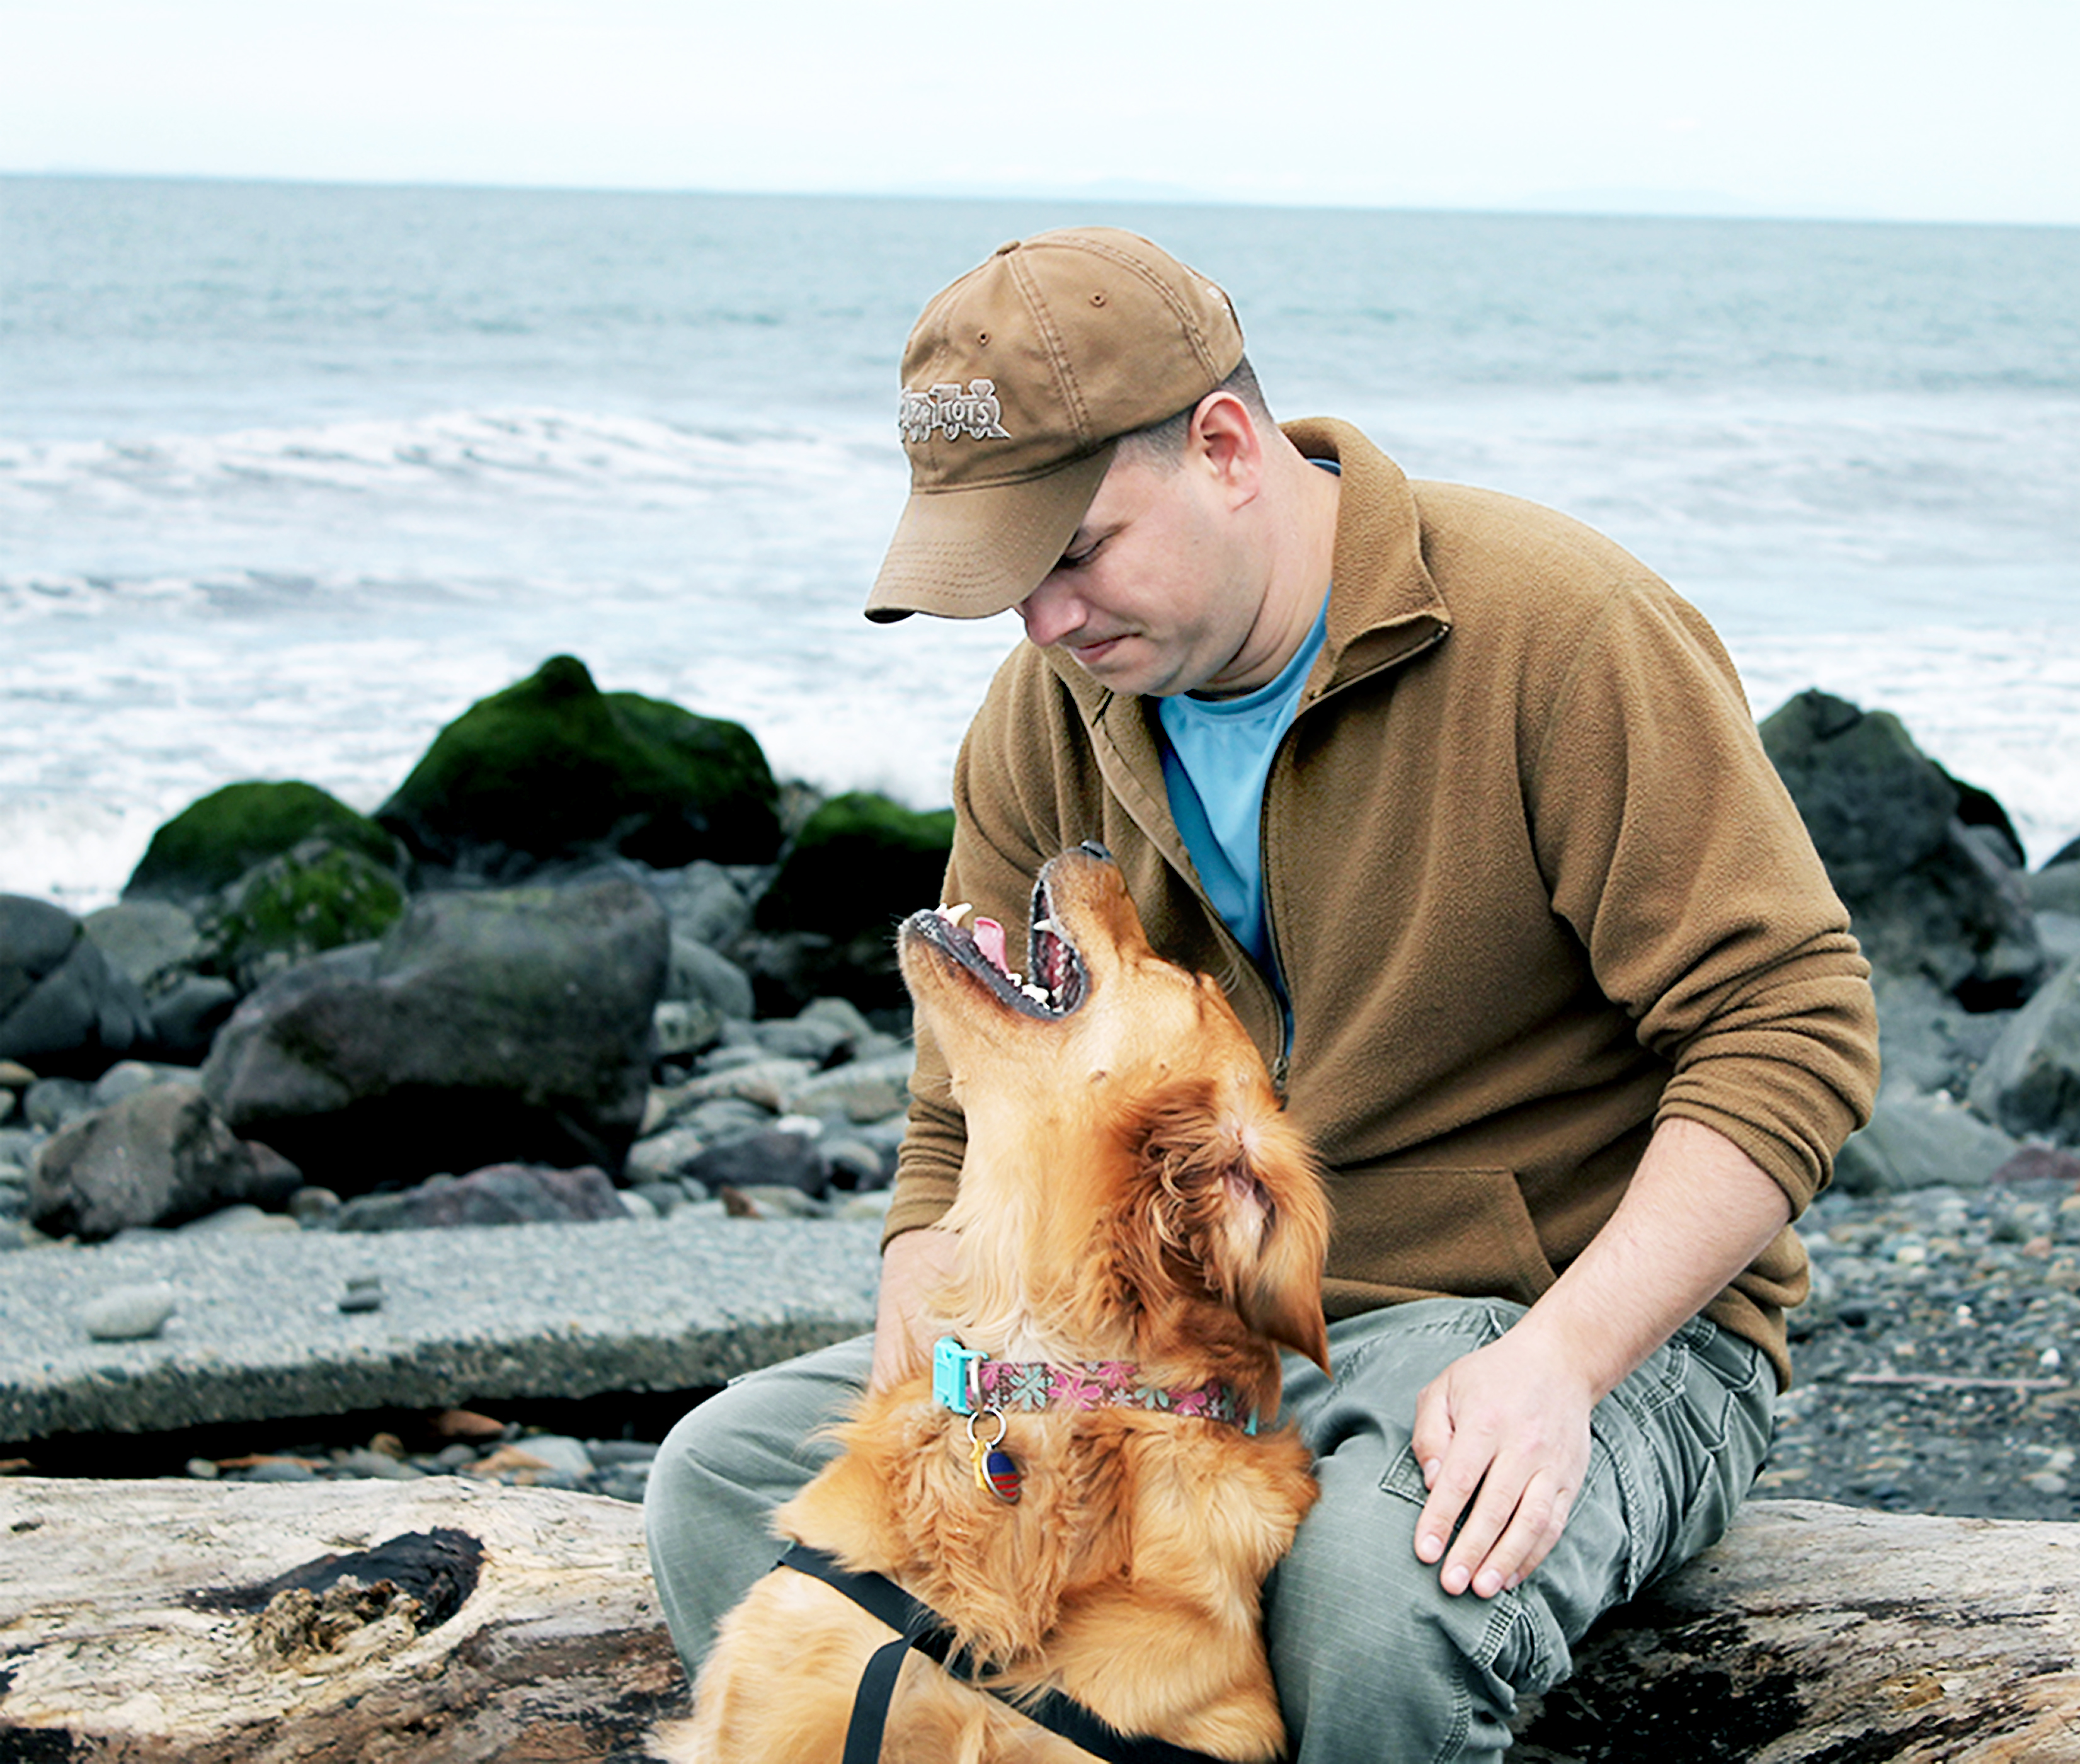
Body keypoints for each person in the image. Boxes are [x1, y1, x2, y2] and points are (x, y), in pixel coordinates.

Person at [645, 226, 1880, 1762]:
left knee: (1374, 1611)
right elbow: (971, 1064)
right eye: (1004, 580)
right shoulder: (1049, 707)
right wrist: (919, 1248)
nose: (1043, 623)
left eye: (1071, 552)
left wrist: (1565, 1360)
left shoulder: (1561, 629)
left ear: (1224, 446)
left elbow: (1795, 1023)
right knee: (721, 1484)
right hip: (1159, 1339)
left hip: (1564, 1321)